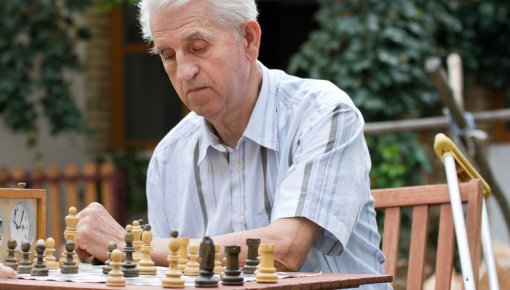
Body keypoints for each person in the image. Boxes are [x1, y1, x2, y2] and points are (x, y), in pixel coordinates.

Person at [75, 0, 389, 288]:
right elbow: (165, 274)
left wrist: (130, 245)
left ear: (249, 39)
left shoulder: (324, 114)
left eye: (198, 47)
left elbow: (285, 249)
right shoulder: (168, 157)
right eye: (168, 55)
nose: (184, 71)